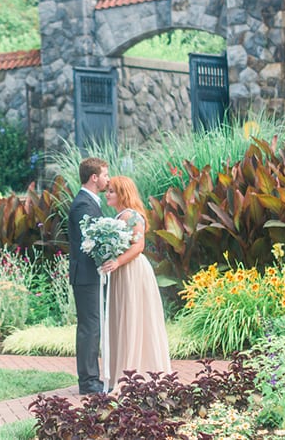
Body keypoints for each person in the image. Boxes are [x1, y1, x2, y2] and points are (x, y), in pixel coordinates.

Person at [100, 175, 172, 392]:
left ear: (123, 193)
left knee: (133, 317)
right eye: (108, 190)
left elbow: (138, 246)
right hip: (121, 272)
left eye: (111, 191)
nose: (107, 194)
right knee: (122, 317)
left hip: (132, 271)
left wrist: (117, 261)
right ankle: (122, 374)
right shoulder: (120, 215)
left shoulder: (133, 216)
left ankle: (136, 372)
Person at [67, 157, 110, 395]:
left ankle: (92, 379)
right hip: (86, 276)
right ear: (94, 177)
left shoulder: (90, 201)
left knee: (93, 326)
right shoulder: (83, 204)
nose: (107, 179)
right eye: (105, 174)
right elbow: (92, 240)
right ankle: (89, 382)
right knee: (90, 328)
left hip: (91, 275)